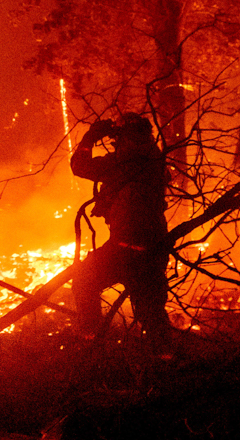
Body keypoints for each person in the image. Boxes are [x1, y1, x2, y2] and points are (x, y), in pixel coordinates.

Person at [70, 114, 171, 342]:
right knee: (152, 311)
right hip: (155, 246)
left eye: (119, 138)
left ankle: (90, 339)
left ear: (126, 137)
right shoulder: (156, 160)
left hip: (125, 247)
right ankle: (166, 359)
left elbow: (79, 166)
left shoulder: (123, 161)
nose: (117, 143)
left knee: (85, 277)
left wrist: (91, 137)